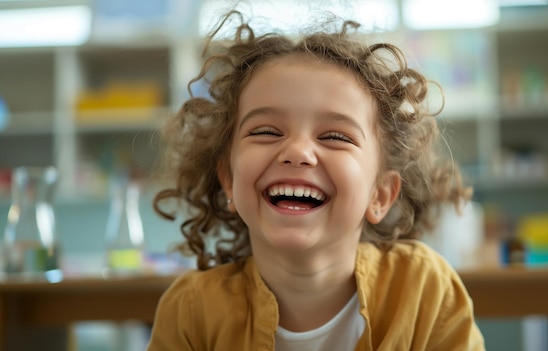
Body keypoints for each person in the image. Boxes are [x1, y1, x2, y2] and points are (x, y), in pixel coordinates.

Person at [147, 10, 485, 351]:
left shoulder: (425, 292)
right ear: (229, 180)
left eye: (335, 136)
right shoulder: (190, 312)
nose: (297, 151)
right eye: (266, 131)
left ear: (380, 195)